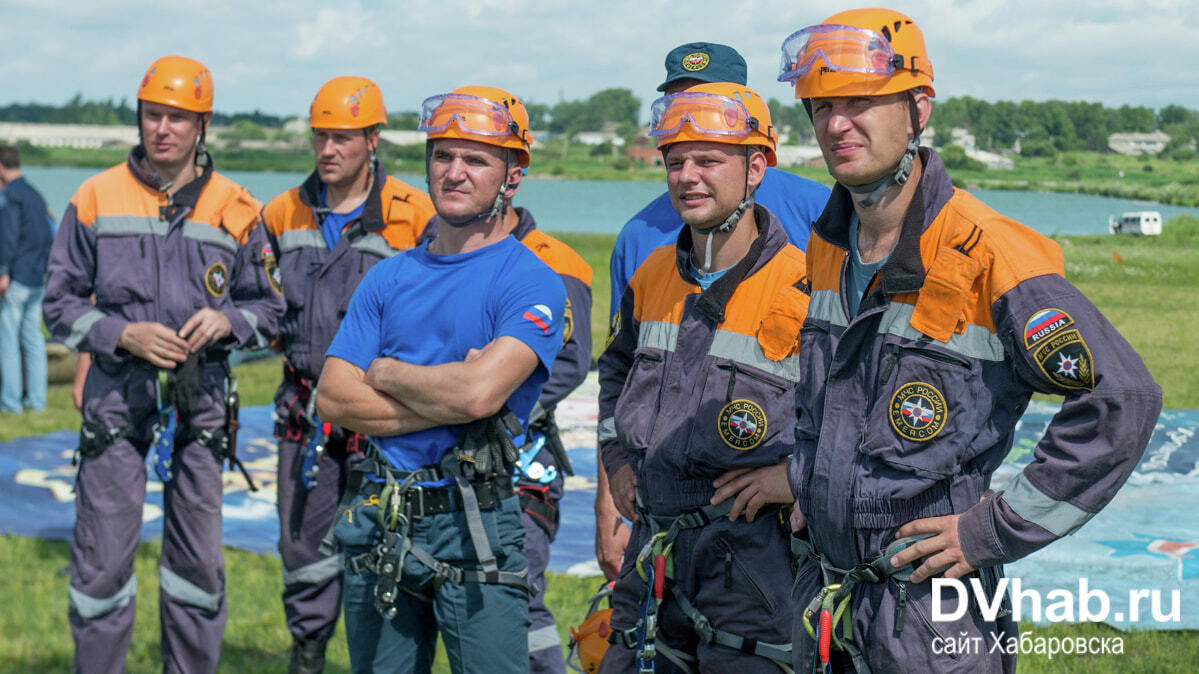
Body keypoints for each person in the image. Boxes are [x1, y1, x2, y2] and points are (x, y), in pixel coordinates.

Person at [777, 9, 1162, 672]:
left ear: (917, 107)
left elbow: (1122, 397)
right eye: (820, 105)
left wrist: (992, 531)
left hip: (931, 618)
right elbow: (821, 396)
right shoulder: (827, 244)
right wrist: (808, 485)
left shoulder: (989, 253)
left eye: (860, 102)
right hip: (828, 597)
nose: (835, 125)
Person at [42, 55, 285, 674]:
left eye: (179, 118)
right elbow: (58, 306)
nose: (164, 129)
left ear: (202, 124)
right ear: (141, 118)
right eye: (154, 115)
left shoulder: (238, 208)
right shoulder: (95, 197)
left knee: (198, 567)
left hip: (199, 403)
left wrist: (228, 321)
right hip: (115, 402)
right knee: (99, 563)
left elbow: (272, 309)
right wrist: (123, 335)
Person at [315, 85, 566, 674]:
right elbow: (333, 395)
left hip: (477, 520)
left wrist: (387, 372)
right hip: (383, 512)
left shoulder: (531, 282)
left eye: (475, 159)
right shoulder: (388, 277)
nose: (454, 172)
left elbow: (479, 393)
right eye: (442, 155)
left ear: (513, 174)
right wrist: (452, 394)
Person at [596, 41, 830, 580]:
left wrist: (801, 477)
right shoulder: (643, 244)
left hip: (758, 540)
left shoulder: (820, 215)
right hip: (658, 527)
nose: (689, 170)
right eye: (676, 151)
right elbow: (620, 371)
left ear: (753, 162)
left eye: (707, 109)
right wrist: (613, 475)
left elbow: (845, 390)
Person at [261, 76, 436, 673]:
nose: (327, 150)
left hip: (383, 411)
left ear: (372, 138)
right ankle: (307, 653)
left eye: (341, 138)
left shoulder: (415, 215)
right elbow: (257, 301)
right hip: (305, 409)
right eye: (319, 138)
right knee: (302, 547)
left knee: (384, 542)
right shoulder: (281, 212)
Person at [421, 171, 593, 672]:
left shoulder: (559, 263)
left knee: (517, 592)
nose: (455, 172)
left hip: (517, 460)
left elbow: (569, 363)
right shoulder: (432, 251)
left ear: (510, 177)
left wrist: (490, 402)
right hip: (435, 457)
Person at [0, 145, 54, 413]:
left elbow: (7, 237)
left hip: (16, 279)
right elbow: (48, 236)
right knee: (33, 340)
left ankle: (10, 403)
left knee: (8, 341)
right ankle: (37, 400)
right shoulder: (34, 194)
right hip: (36, 278)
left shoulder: (9, 195)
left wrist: (3, 271)